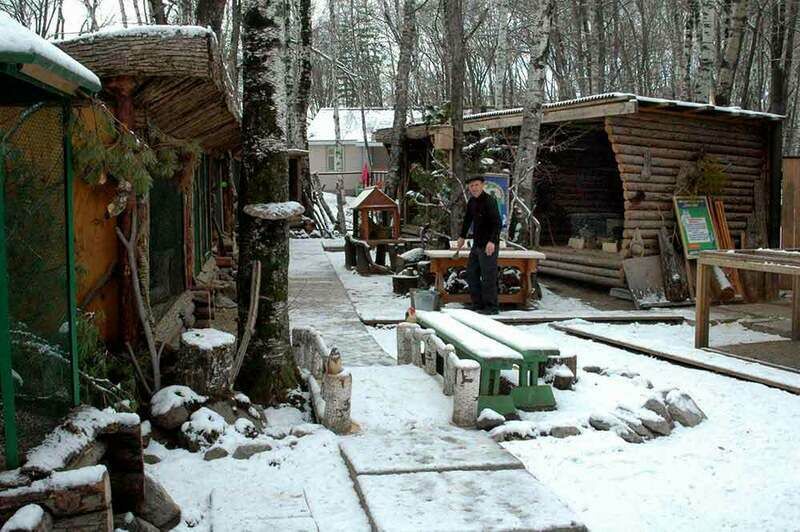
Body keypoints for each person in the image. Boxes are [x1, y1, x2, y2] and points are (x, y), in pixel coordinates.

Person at [455, 175, 501, 315]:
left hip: (489, 244)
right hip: (476, 244)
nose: (474, 188)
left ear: (482, 185)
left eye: (476, 185)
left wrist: (492, 241)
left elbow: (497, 223)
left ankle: (491, 307)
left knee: (488, 276)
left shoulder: (490, 201)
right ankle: (478, 304)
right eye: (471, 186)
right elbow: (467, 220)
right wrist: (462, 236)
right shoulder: (472, 202)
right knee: (471, 273)